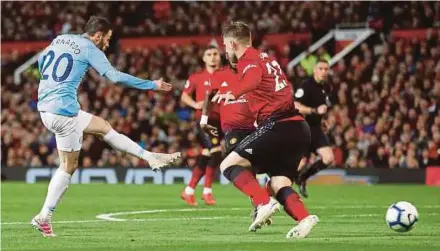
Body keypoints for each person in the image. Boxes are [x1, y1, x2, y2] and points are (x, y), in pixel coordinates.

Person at [31, 16, 181, 237]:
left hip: (45, 107)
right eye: (107, 39)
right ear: (98, 35)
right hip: (64, 113)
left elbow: (41, 63)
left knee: (103, 127)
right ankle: (44, 216)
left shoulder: (61, 39)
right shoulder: (90, 48)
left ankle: (149, 156)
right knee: (68, 166)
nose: (108, 44)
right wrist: (152, 85)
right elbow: (115, 77)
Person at [214, 21, 319, 238]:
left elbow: (252, 79)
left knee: (228, 164)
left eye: (225, 46)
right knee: (279, 182)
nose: (225, 51)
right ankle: (304, 218)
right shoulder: (267, 58)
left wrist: (234, 93)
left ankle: (263, 202)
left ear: (233, 44)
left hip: (279, 125)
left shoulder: (248, 60)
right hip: (299, 128)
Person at [180, 46, 224, 206]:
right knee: (216, 153)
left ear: (219, 57)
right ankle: (207, 191)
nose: (213, 57)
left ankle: (189, 190)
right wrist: (195, 105)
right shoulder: (196, 77)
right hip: (205, 122)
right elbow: (184, 95)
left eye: (215, 54)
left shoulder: (226, 74)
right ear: (204, 58)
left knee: (206, 155)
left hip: (222, 121)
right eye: (209, 54)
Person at [294, 60, 335, 198]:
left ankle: (303, 178)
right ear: (315, 70)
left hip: (316, 128)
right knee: (300, 164)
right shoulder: (306, 85)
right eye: (321, 68)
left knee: (328, 158)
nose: (324, 71)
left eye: (326, 69)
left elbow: (322, 108)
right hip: (302, 128)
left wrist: (322, 121)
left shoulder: (327, 87)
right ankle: (274, 187)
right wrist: (314, 111)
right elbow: (296, 105)